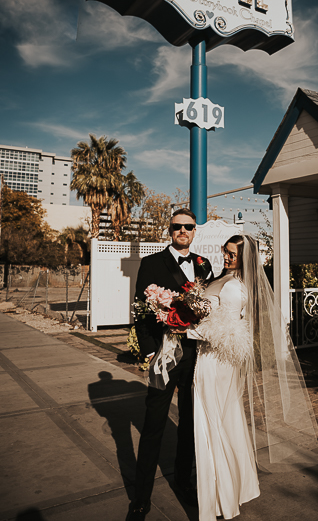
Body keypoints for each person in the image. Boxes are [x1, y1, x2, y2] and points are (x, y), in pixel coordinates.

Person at [187, 234, 318, 521]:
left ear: (245, 258)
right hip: (209, 359)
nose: (226, 257)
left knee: (214, 423)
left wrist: (185, 329)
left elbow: (227, 331)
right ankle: (228, 490)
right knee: (221, 421)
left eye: (232, 255)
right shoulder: (222, 278)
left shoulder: (236, 288)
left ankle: (222, 498)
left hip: (216, 361)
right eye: (225, 252)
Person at [127, 208, 212, 521]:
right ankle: (141, 497)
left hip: (197, 355)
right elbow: (139, 308)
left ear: (194, 231)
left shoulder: (204, 264)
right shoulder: (151, 263)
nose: (183, 231)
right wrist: (150, 352)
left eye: (188, 227)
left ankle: (184, 481)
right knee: (153, 425)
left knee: (190, 422)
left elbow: (211, 307)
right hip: (165, 354)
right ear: (170, 230)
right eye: (177, 226)